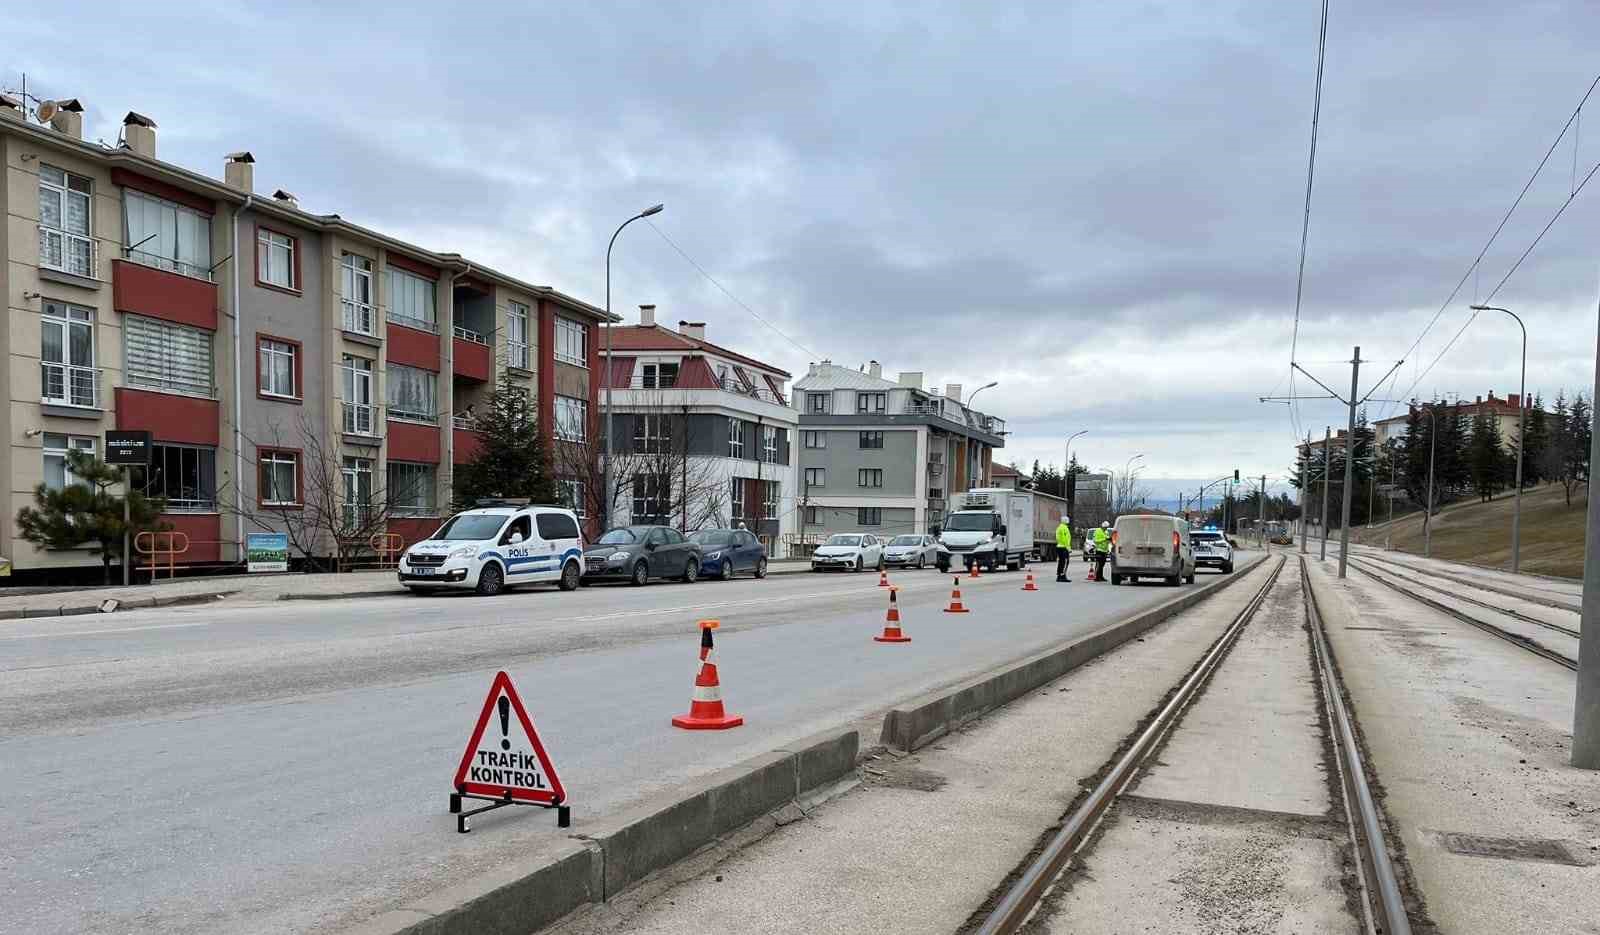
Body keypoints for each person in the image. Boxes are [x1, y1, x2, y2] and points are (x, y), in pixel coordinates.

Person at [1055, 516, 1073, 582]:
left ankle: (1059, 575)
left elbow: (1058, 538)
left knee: (1061, 562)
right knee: (1065, 562)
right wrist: (1068, 548)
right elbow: (1065, 539)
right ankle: (1063, 576)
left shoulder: (1059, 527)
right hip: (1064, 547)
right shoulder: (1064, 528)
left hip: (1059, 546)